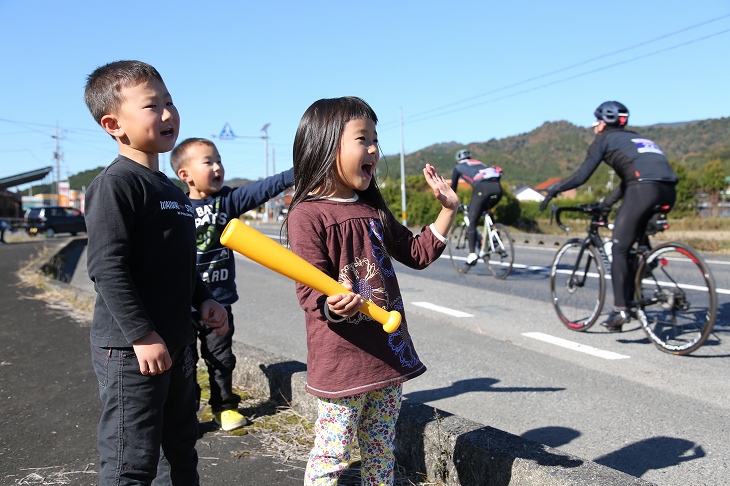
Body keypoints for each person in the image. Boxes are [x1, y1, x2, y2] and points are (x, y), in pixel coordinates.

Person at [285, 96, 459, 485]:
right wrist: (336, 305)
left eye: (375, 141)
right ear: (325, 144)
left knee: (382, 448)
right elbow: (310, 293)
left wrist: (448, 210)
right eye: (363, 139)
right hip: (342, 362)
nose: (375, 150)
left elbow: (416, 253)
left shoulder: (373, 210)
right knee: (333, 451)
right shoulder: (307, 215)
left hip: (386, 353)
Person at [83, 60, 229, 485]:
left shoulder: (170, 188)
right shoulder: (115, 184)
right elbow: (107, 267)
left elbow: (180, 263)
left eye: (170, 102)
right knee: (132, 460)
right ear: (114, 124)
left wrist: (203, 298)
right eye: (152, 106)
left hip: (176, 342)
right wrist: (142, 335)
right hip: (132, 351)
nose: (168, 113)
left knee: (180, 449)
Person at [170, 137, 294, 431]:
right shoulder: (175, 206)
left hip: (219, 302)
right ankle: (184, 414)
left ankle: (224, 408)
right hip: (182, 305)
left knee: (221, 359)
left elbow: (265, 187)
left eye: (219, 160)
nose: (217, 167)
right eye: (208, 162)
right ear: (184, 175)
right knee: (185, 363)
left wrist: (300, 169)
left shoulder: (227, 201)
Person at [539, 101, 678, 331]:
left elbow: (582, 176)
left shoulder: (604, 140)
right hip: (668, 190)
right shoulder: (638, 139)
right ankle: (645, 265)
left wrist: (555, 189)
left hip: (642, 189)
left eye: (596, 123)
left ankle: (621, 310)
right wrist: (606, 204)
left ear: (603, 124)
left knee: (619, 248)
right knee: (635, 241)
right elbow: (628, 182)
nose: (595, 128)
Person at [450, 149, 503, 264]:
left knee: (472, 220)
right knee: (486, 210)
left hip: (482, 189)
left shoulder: (458, 166)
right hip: (498, 188)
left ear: (458, 159)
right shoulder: (479, 163)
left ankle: (472, 254)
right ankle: (494, 234)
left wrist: (452, 202)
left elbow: (453, 187)